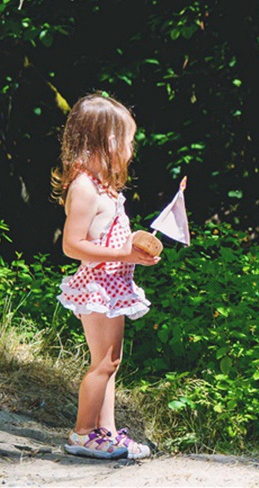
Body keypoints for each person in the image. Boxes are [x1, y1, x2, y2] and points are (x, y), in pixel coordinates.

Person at [51, 92, 160, 460]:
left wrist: (136, 249)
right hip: (97, 289)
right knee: (103, 363)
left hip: (114, 287)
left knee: (111, 363)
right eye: (128, 141)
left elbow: (108, 235)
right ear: (108, 141)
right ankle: (83, 433)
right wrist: (123, 253)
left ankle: (107, 433)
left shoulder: (106, 188)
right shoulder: (83, 188)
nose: (131, 150)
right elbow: (72, 245)